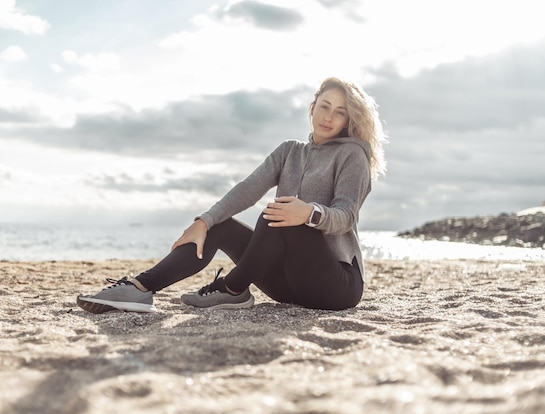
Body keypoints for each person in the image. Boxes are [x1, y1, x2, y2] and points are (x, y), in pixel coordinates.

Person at [76, 76, 387, 314]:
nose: (328, 117)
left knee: (277, 214)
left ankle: (233, 288)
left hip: (336, 286)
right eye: (324, 106)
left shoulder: (352, 156)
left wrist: (309, 213)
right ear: (313, 107)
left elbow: (346, 216)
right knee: (220, 224)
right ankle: (141, 287)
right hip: (287, 286)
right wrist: (203, 220)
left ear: (349, 120)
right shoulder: (289, 151)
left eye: (340, 112)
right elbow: (247, 190)